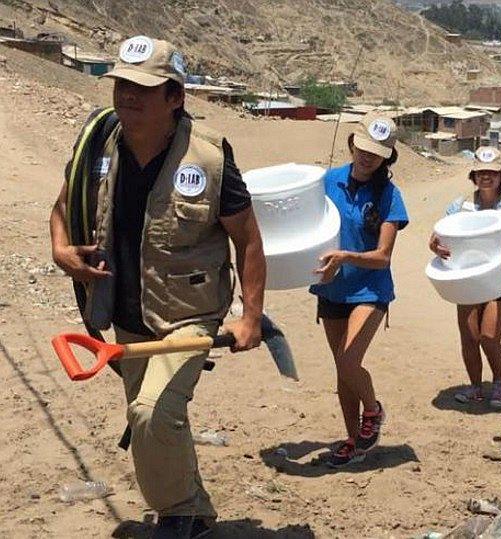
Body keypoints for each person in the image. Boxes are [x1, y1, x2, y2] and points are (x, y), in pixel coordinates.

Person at [49, 36, 265, 538]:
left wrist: (251, 315)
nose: (127, 96)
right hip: (125, 314)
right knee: (156, 416)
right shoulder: (96, 145)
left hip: (188, 314)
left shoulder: (209, 160)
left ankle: (179, 514)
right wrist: (61, 251)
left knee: (151, 412)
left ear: (175, 97)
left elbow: (249, 242)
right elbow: (62, 208)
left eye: (142, 88)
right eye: (122, 84)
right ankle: (198, 511)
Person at [310, 114, 409, 468]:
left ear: (388, 157)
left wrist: (347, 256)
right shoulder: (325, 181)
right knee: (342, 371)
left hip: (369, 288)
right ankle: (355, 440)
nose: (368, 157)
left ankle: (373, 411)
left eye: (377, 153)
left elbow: (383, 257)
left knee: (349, 360)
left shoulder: (389, 196)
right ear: (353, 143)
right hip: (331, 287)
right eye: (364, 148)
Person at [429, 146, 501, 408]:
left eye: (492, 173)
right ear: (474, 174)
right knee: (470, 337)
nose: (486, 177)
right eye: (481, 172)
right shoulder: (460, 207)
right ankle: (475, 386)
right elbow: (438, 238)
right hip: (468, 280)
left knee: (489, 336)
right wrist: (435, 247)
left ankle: (498, 381)